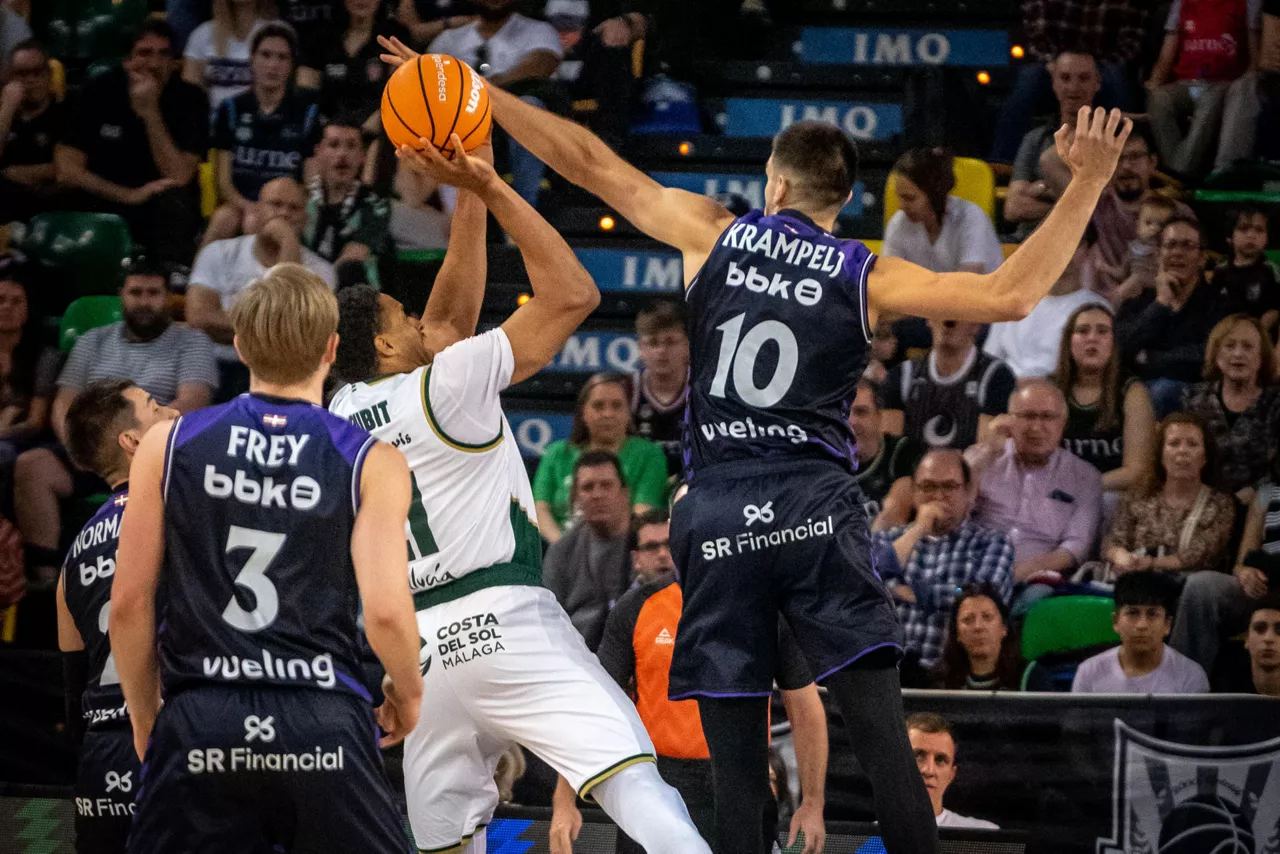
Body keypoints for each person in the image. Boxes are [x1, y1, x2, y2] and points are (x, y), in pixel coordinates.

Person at [476, 44, 1132, 850]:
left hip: (719, 508)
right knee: (886, 747)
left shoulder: (712, 233)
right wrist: (1089, 180)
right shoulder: (864, 274)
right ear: (846, 199)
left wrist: (488, 96)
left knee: (737, 776)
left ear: (774, 186)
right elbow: (1012, 294)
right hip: (815, 508)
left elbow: (590, 163)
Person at [327, 134, 709, 854]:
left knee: (445, 843)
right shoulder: (449, 385)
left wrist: (469, 185)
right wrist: (496, 189)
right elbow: (575, 294)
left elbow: (445, 324)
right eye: (401, 317)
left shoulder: (341, 414)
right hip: (507, 621)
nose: (419, 320)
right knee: (631, 780)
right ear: (385, 347)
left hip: (424, 653)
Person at [109, 264, 423, 853]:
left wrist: (148, 719)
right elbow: (385, 611)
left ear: (240, 345)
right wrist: (407, 694)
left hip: (202, 713)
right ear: (331, 349)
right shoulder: (371, 459)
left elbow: (127, 604)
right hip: (322, 716)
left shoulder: (166, 444)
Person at [558, 515, 828, 854]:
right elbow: (596, 706)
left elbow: (806, 710)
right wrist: (563, 801)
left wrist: (814, 803)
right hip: (656, 781)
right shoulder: (637, 607)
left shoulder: (766, 609)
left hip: (742, 781)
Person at [13, 261, 217, 587]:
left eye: (153, 293)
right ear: (121, 295)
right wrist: (77, 446)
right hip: (90, 451)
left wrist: (132, 443)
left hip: (154, 454)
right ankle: (48, 581)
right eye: (136, 292)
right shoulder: (92, 340)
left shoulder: (193, 342)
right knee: (32, 465)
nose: (144, 301)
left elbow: (191, 404)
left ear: (168, 297)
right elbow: (65, 402)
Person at [55, 380, 178, 854]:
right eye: (154, 407)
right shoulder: (182, 513)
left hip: (101, 760)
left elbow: (73, 689)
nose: (172, 412)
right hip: (172, 737)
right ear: (132, 441)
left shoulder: (73, 558)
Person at [55, 20, 208, 268]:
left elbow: (179, 175)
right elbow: (67, 168)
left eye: (163, 54)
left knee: (177, 199)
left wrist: (150, 112)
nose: (155, 64)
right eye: (145, 53)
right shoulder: (99, 89)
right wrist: (128, 195)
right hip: (105, 195)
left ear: (174, 62)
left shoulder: (191, 98)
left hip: (157, 205)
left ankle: (170, 277)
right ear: (127, 61)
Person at [188, 176, 335, 392]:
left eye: (294, 208)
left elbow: (297, 330)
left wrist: (288, 243)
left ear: (305, 219)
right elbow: (199, 317)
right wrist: (270, 331)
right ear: (256, 211)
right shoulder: (219, 253)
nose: (284, 213)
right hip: (215, 366)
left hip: (279, 375)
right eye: (275, 204)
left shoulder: (323, 271)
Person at [872, 449, 1014, 672]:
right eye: (928, 487)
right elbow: (860, 583)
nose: (938, 496)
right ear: (914, 492)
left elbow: (980, 599)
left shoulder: (991, 543)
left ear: (968, 492)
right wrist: (918, 528)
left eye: (949, 487)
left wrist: (904, 592)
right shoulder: (884, 540)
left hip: (948, 675)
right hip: (884, 671)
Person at [968, 382, 1103, 614]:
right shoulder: (981, 458)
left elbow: (1075, 548)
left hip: (1036, 580)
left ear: (1063, 424)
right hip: (974, 568)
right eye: (1028, 416)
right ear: (1009, 420)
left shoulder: (1085, 477)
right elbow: (952, 509)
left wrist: (1015, 573)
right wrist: (987, 452)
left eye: (1048, 417)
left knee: (1037, 600)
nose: (1036, 427)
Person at [427, 0, 564, 206]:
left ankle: (523, 215)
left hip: (511, 120)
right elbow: (423, 79)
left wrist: (485, 87)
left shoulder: (538, 30)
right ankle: (453, 216)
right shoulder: (449, 39)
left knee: (528, 106)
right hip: (462, 121)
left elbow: (540, 66)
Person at [206, 23, 322, 245]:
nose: (273, 65)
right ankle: (198, 268)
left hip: (286, 206)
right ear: (252, 59)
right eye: (266, 55)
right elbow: (223, 182)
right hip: (241, 202)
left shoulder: (306, 112)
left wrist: (278, 209)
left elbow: (309, 181)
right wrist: (250, 207)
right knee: (223, 219)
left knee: (257, 224)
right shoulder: (230, 109)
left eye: (282, 57)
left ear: (291, 65)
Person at [532, 372, 669, 542]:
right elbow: (540, 509)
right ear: (583, 412)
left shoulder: (649, 455)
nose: (608, 413)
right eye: (598, 406)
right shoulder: (556, 453)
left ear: (628, 412)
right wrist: (564, 547)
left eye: (617, 406)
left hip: (623, 548)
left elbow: (642, 513)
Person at [1103, 413, 1236, 579]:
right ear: (1161, 456)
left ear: (1205, 458)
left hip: (1186, 584)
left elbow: (1199, 557)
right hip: (1133, 580)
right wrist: (1120, 556)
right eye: (1174, 444)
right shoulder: (1139, 495)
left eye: (1192, 444)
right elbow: (1114, 542)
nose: (1182, 451)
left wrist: (1150, 564)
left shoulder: (1219, 504)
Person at [1117, 216, 1225, 418]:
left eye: (1187, 246)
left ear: (1202, 258)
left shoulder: (1219, 305)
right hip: (1137, 392)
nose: (1177, 252)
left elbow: (1206, 355)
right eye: (1170, 245)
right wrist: (1161, 304)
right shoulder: (1137, 303)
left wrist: (1149, 358)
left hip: (1194, 399)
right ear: (1158, 254)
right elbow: (1120, 348)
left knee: (1164, 390)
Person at [1172, 478, 1279, 677]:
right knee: (1202, 586)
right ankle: (1185, 684)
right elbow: (1241, 563)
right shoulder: (1267, 493)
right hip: (1265, 585)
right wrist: (1245, 574)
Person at [1146, 0, 1263, 176]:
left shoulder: (1247, 3)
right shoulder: (1182, 3)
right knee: (1159, 99)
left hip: (1223, 83)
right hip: (1186, 84)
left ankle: (1179, 172)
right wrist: (1153, 87)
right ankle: (1175, 171)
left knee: (1209, 100)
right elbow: (1165, 57)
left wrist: (1240, 88)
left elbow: (1254, 61)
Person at [1082, 122, 1194, 300]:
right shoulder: (1094, 206)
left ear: (1152, 163)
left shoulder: (1177, 213)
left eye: (1134, 157)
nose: (1126, 166)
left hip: (1158, 304)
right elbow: (1048, 161)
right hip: (1099, 307)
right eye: (1117, 157)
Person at [1053, 304, 1155, 496]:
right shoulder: (1050, 390)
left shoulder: (1132, 392)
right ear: (1068, 341)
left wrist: (1082, 488)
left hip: (1110, 493)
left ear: (1114, 342)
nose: (1092, 338)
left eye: (1102, 331)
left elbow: (1137, 471)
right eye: (1083, 331)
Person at [542, 452, 636, 651]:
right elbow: (548, 622)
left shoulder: (649, 542)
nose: (597, 495)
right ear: (576, 498)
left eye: (606, 485)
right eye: (587, 487)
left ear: (625, 494)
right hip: (578, 653)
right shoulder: (561, 552)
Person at [1181, 314, 1280, 500]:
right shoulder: (1194, 399)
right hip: (1205, 498)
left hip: (1264, 498)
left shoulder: (1275, 401)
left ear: (1261, 357)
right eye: (1229, 346)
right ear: (1216, 354)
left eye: (1248, 347)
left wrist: (1256, 493)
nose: (1238, 354)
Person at [1005, 52, 1102, 239]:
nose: (1073, 87)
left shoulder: (1109, 141)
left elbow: (1100, 212)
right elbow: (1013, 208)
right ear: (1054, 83)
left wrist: (1040, 188)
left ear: (1097, 83)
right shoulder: (1035, 139)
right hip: (1029, 241)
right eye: (1065, 78)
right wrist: (1072, 208)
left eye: (1083, 78)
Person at [982, 235, 1109, 379]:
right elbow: (990, 360)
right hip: (1007, 387)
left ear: (1084, 249)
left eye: (1071, 244)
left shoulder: (1097, 311)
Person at [881, 318, 1017, 450]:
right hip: (913, 465)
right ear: (929, 319)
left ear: (975, 325)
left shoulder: (996, 376)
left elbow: (986, 452)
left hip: (969, 464)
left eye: (957, 314)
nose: (948, 322)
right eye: (943, 312)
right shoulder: (902, 375)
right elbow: (892, 450)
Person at [1072, 570, 1210, 693]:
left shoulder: (1190, 676)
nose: (1141, 625)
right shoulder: (1089, 673)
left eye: (1152, 614)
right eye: (1133, 613)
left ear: (1167, 625)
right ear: (1116, 621)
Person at [882, 148, 1004, 276]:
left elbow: (969, 279)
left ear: (935, 194)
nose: (901, 206)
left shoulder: (972, 217)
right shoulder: (898, 222)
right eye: (900, 197)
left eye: (910, 198)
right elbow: (890, 276)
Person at [302, 115, 392, 287]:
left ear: (362, 156)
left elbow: (355, 255)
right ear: (318, 152)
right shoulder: (301, 201)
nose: (342, 154)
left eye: (351, 146)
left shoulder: (375, 205)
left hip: (354, 295)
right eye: (334, 145)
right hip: (306, 292)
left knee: (350, 269)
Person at [0, 262, 59, 517]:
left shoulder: (44, 357)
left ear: (28, 309)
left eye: (16, 301)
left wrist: (4, 430)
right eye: (0, 300)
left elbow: (35, 422)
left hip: (22, 442)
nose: (7, 307)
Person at [298, 0, 413, 121]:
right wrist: (326, 126)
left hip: (381, 125)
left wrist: (368, 128)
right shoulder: (321, 37)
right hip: (328, 127)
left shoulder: (396, 37)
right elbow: (306, 94)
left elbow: (400, 94)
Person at [926, 582, 1053, 691]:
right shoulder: (941, 681)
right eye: (968, 620)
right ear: (957, 634)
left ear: (1004, 628)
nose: (978, 627)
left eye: (987, 617)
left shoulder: (1031, 677)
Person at [0, 39, 64, 223]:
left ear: (49, 75)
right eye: (22, 73)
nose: (30, 79)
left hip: (46, 210)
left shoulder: (66, 112)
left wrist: (12, 173)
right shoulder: (3, 112)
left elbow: (66, 169)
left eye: (38, 72)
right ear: (9, 78)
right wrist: (7, 109)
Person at [905, 713, 1000, 830]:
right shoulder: (881, 833)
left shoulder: (984, 833)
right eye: (918, 756)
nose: (929, 770)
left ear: (951, 775)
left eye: (940, 760)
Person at [181, 0, 276, 113]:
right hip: (212, 118)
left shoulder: (275, 33)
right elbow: (190, 90)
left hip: (259, 117)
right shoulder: (201, 34)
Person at [850, 380, 923, 521]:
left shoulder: (904, 453)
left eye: (861, 412)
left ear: (878, 417)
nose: (851, 421)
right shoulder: (820, 461)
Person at [632, 299, 690, 476]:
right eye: (653, 343)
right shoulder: (626, 391)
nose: (661, 351)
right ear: (641, 348)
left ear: (687, 345)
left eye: (670, 342)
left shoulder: (704, 389)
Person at [1212, 207, 1280, 335]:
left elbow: (1274, 309)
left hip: (1260, 336)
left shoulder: (1270, 270)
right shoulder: (1220, 271)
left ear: (1267, 238)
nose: (1251, 235)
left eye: (1259, 230)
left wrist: (1257, 331)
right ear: (1229, 237)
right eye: (1243, 229)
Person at [1108, 194, 1177, 306]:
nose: (1154, 228)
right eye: (1148, 223)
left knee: (1128, 286)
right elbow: (1122, 271)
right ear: (1138, 226)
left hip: (1156, 285)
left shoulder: (1165, 250)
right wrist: (1105, 268)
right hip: (1136, 288)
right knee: (1116, 295)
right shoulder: (1133, 247)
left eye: (1161, 225)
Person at [1240, 600, 1280, 695]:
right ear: (1246, 638)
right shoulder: (1223, 695)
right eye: (1259, 628)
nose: (1268, 638)